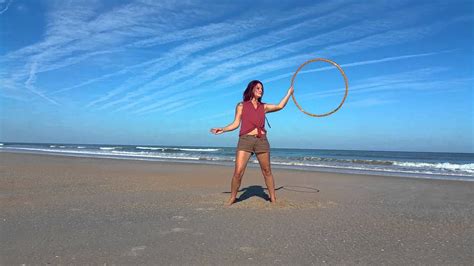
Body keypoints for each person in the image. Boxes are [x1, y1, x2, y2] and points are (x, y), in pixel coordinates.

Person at [210, 80, 294, 205]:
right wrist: (223, 129)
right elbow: (235, 124)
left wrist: (289, 93)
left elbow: (280, 106)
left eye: (262, 89)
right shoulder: (241, 105)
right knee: (238, 172)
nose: (261, 90)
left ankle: (273, 198)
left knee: (267, 171)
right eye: (258, 88)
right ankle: (233, 197)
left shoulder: (264, 107)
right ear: (251, 89)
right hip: (245, 140)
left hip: (261, 141)